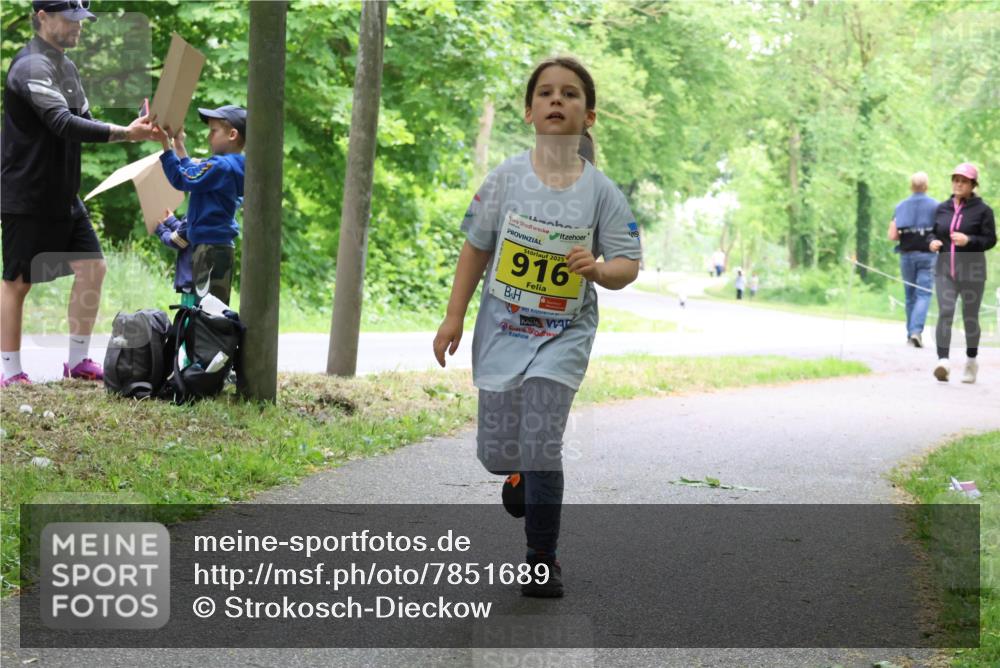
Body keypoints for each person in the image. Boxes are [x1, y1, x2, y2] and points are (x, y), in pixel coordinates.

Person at [432, 57, 641, 598]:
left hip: (564, 333)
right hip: (503, 329)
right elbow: (477, 247)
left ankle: (540, 559)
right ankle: (519, 474)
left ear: (588, 115)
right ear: (529, 111)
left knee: (543, 440)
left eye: (570, 93)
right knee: (502, 453)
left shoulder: (602, 193)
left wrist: (598, 270)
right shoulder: (505, 179)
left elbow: (627, 264)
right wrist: (454, 316)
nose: (556, 100)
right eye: (545, 93)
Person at [1, 0, 162, 386]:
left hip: (63, 195)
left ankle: (76, 363)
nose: (79, 27)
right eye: (70, 19)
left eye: (82, 20)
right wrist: (126, 133)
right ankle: (9, 372)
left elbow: (84, 122)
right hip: (27, 195)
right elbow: (61, 122)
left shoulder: (64, 66)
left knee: (93, 268)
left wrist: (132, 126)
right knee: (18, 282)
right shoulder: (30, 67)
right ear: (42, 18)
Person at [157, 105, 246, 306]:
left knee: (207, 313)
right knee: (212, 309)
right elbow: (195, 174)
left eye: (214, 131)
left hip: (209, 250)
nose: (209, 137)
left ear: (232, 134)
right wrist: (179, 145)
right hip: (217, 247)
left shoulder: (221, 166)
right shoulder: (231, 167)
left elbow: (182, 179)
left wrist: (166, 145)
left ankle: (207, 339)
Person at [928, 163, 996, 383]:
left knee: (970, 318)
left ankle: (971, 361)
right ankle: (943, 362)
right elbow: (932, 232)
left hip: (972, 270)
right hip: (945, 269)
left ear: (973, 185)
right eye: (955, 179)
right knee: (946, 312)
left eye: (964, 181)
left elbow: (990, 239)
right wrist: (933, 242)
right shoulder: (942, 208)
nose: (958, 184)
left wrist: (969, 240)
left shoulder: (983, 211)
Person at [888, 171, 938, 348]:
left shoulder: (900, 206)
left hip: (907, 255)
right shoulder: (935, 206)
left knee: (910, 295)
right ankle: (916, 331)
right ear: (926, 186)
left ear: (911, 186)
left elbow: (892, 235)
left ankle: (911, 333)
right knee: (923, 293)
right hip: (928, 255)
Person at [154, 209, 195, 306]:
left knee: (191, 316)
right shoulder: (216, 204)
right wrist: (171, 221)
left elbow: (178, 240)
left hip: (193, 282)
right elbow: (188, 232)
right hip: (213, 278)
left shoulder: (198, 204)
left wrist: (160, 229)